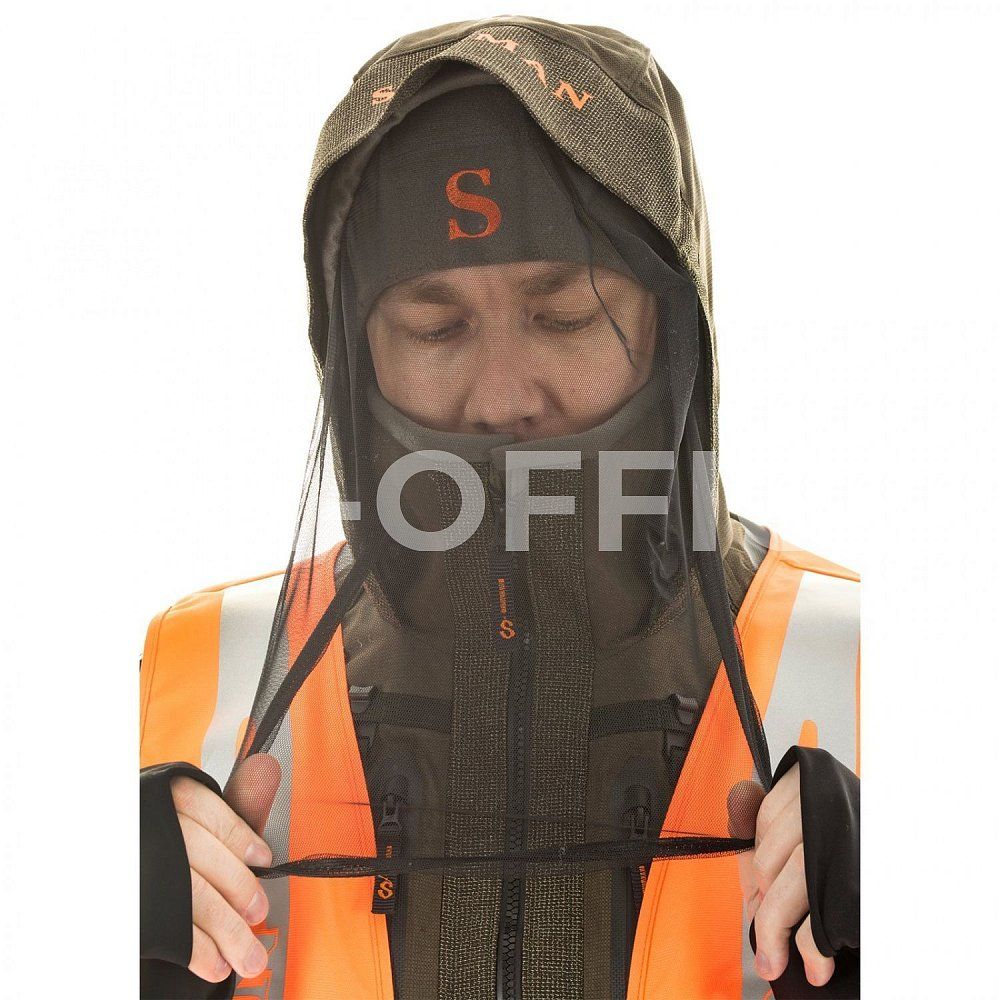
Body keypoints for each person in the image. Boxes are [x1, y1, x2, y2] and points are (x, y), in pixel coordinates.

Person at [139, 15, 860, 1000]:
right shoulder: (184, 678)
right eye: (435, 327)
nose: (502, 398)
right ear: (353, 353)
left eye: (566, 316)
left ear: (673, 325)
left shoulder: (877, 667)